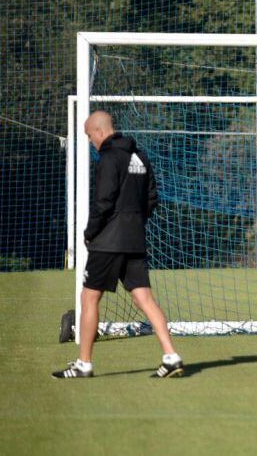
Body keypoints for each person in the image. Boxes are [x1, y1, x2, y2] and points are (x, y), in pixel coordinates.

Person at [54, 111, 183, 379]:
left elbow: (104, 201)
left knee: (89, 298)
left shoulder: (109, 158)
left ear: (100, 131)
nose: (91, 142)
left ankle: (84, 364)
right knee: (144, 298)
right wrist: (134, 224)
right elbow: (151, 199)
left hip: (108, 241)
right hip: (135, 239)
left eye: (90, 136)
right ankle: (171, 355)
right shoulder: (141, 157)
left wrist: (90, 233)